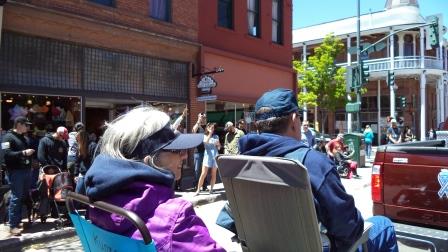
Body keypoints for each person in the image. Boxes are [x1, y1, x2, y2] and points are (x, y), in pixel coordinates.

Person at [237, 88, 398, 251]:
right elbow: (349, 229)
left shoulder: (240, 163)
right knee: (383, 225)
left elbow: (233, 220)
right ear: (294, 119)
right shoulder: (312, 163)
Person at [84, 106, 224, 251]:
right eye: (176, 150)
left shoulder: (97, 203)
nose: (184, 155)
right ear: (149, 160)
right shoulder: (176, 220)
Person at [1, 116, 35, 236]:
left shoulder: (23, 138)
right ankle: (13, 225)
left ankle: (18, 221)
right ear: (19, 124)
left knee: (21, 197)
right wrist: (23, 153)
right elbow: (6, 154)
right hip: (15, 172)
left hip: (25, 171)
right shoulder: (7, 137)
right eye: (26, 125)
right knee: (16, 197)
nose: (28, 127)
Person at [195, 123, 221, 195]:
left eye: (213, 128)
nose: (212, 129)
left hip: (215, 156)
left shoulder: (216, 136)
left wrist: (219, 144)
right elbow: (206, 142)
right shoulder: (204, 136)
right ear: (207, 128)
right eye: (210, 127)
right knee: (203, 174)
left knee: (214, 174)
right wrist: (210, 133)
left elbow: (218, 148)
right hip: (207, 156)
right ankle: (198, 190)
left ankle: (211, 189)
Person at [73, 129, 97, 195]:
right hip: (82, 174)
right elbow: (77, 161)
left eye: (77, 140)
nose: (76, 141)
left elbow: (94, 161)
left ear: (81, 139)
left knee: (88, 195)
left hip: (90, 174)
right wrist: (75, 174)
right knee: (78, 195)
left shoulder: (93, 146)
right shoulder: (79, 148)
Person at [192, 113, 208, 191]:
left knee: (204, 169)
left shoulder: (207, 127)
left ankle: (204, 185)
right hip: (198, 151)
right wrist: (198, 121)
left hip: (206, 151)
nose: (203, 118)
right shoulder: (197, 126)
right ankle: (196, 185)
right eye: (202, 117)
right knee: (197, 169)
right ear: (198, 117)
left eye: (204, 117)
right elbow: (193, 131)